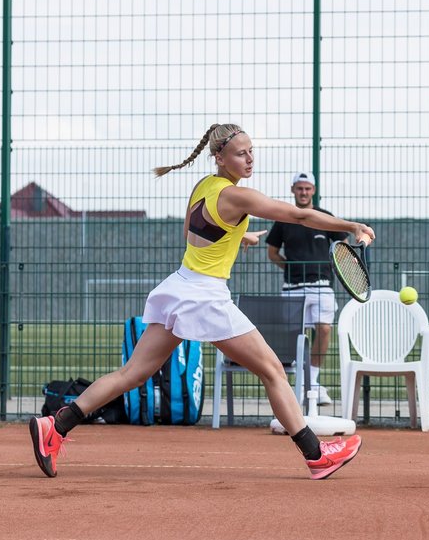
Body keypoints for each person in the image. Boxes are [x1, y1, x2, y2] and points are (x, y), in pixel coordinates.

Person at [29, 122, 375, 480]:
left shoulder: (203, 187)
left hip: (180, 286)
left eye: (251, 150)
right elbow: (299, 215)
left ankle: (55, 426)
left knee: (132, 373)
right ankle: (318, 456)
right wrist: (351, 226)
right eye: (241, 153)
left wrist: (240, 237)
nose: (249, 158)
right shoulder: (238, 196)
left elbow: (195, 235)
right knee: (272, 370)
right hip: (204, 296)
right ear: (220, 157)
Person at [265, 172, 348, 406]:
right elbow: (272, 253)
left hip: (322, 286)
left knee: (323, 330)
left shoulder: (325, 217)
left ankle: (312, 382)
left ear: (313, 190)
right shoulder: (283, 219)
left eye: (307, 188)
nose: (303, 192)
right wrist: (290, 268)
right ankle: (299, 384)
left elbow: (342, 246)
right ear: (293, 190)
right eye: (299, 188)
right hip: (292, 288)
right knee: (295, 338)